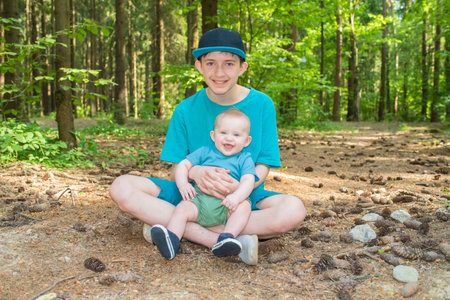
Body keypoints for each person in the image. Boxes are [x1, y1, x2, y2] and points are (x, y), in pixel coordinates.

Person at [109, 27, 306, 265]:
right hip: (190, 195)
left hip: (240, 197)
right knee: (122, 187)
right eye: (210, 63)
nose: (219, 72)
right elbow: (177, 167)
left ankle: (172, 228)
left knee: (293, 210)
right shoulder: (185, 109)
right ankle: (224, 240)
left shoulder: (262, 104)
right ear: (199, 66)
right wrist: (196, 172)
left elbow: (263, 164)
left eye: (229, 64)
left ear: (242, 67)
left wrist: (241, 188)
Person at [151, 108, 257, 260]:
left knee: (244, 206)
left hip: (227, 205)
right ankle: (172, 239)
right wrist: (183, 184)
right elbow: (183, 165)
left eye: (236, 135)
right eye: (223, 133)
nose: (229, 138)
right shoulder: (205, 151)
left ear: (247, 141)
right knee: (182, 208)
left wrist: (236, 197)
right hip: (200, 201)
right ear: (213, 136)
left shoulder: (244, 158)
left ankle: (227, 237)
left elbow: (248, 181)